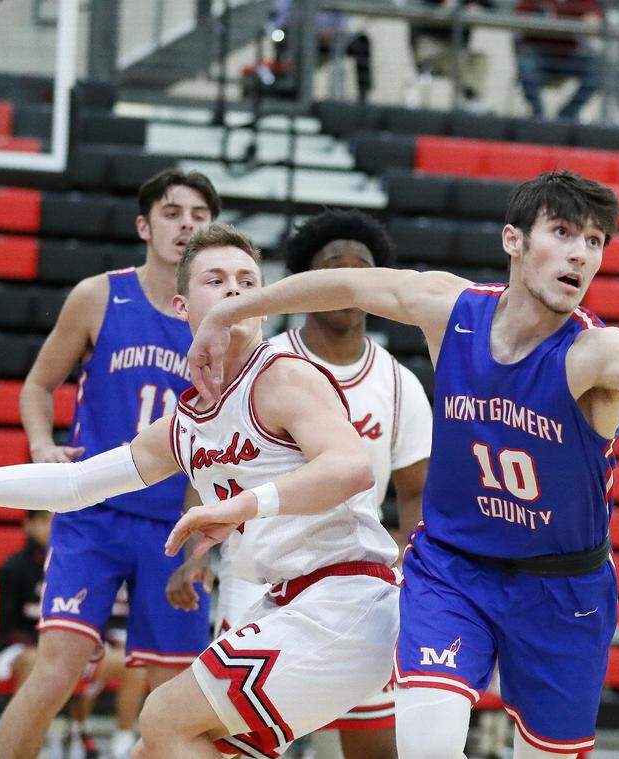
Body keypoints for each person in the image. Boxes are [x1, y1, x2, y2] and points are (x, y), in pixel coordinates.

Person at [178, 169, 619, 757]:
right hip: (453, 569)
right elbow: (349, 280)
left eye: (595, 242)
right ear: (513, 242)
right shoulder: (452, 311)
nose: (580, 252)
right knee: (427, 743)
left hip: (561, 589)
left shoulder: (596, 354)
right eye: (563, 232)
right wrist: (235, 308)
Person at [0, 222, 400, 758]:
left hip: (346, 598)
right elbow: (75, 483)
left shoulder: (283, 376)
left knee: (163, 714)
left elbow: (352, 468)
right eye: (215, 279)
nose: (234, 289)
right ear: (180, 307)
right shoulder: (185, 425)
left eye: (247, 280)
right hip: (290, 603)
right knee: (153, 751)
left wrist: (240, 504)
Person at [180, 209, 432, 758]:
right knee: (234, 741)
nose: (347, 278)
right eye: (332, 267)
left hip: (351, 579)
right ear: (306, 283)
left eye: (361, 268)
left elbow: (414, 494)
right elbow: (209, 456)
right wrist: (193, 555)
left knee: (372, 746)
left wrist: (415, 574)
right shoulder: (266, 362)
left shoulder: (399, 382)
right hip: (261, 574)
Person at [5, 168, 221, 758]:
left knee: (175, 697)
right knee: (53, 673)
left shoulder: (222, 320)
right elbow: (37, 387)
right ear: (144, 225)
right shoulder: (99, 295)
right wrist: (40, 445)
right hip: (93, 514)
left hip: (170, 527)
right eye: (174, 213)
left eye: (200, 216)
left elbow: (218, 442)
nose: (186, 225)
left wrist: (201, 544)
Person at [0, 512, 146, 759]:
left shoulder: (79, 563)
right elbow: (7, 624)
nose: (49, 528)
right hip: (21, 646)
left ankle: (123, 737)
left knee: (132, 663)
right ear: (28, 525)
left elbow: (94, 615)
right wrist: (41, 646)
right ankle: (33, 740)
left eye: (52, 521)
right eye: (43, 521)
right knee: (39, 663)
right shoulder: (14, 567)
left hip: (67, 645)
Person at [514, 0, 604, 121]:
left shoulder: (583, 2)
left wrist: (592, 21)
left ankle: (566, 116)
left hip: (568, 56)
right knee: (526, 65)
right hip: (539, 54)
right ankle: (538, 115)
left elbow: (594, 20)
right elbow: (519, 19)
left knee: (596, 74)